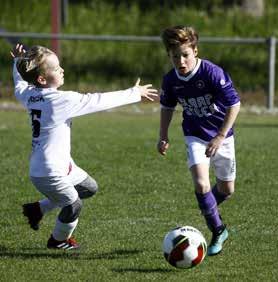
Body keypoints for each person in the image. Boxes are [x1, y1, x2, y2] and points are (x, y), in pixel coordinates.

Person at [11, 43, 158, 250]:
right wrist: (134, 93)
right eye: (55, 68)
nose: (61, 70)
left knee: (88, 188)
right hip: (48, 172)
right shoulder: (59, 100)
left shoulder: (29, 94)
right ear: (42, 79)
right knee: (73, 204)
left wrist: (17, 62)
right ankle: (58, 240)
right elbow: (97, 100)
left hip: (58, 165)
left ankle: (37, 210)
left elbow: (19, 84)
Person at [157, 26, 240, 256]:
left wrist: (220, 136)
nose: (181, 61)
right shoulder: (171, 79)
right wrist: (163, 135)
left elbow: (234, 104)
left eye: (185, 55)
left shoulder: (212, 73)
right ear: (169, 56)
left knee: (226, 189)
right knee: (202, 185)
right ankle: (218, 229)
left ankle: (208, 207)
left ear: (195, 51)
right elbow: (167, 107)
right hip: (194, 134)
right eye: (175, 57)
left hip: (222, 136)